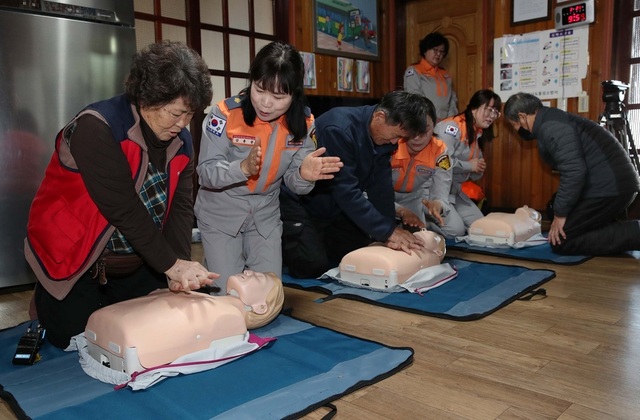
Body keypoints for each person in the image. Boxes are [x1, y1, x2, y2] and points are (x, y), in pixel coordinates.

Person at [24, 40, 217, 349]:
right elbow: (122, 207)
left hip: (137, 258)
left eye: (190, 115)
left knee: (181, 315)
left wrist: (178, 268)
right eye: (175, 113)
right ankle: (48, 294)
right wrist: (171, 264)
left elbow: (181, 208)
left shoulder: (181, 140)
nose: (183, 124)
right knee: (75, 337)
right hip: (77, 258)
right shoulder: (97, 127)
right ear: (146, 98)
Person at [195, 41, 342, 294]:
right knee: (228, 294)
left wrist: (305, 176)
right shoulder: (224, 115)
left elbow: (296, 186)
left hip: (265, 215)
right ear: (251, 81)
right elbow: (206, 173)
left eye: (278, 97)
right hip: (222, 213)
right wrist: (241, 168)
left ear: (294, 94)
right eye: (260, 89)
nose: (265, 103)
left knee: (268, 294)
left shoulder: (304, 123)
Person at [280, 90, 433, 279]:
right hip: (303, 204)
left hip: (335, 209)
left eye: (399, 139)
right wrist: (387, 231)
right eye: (394, 135)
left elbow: (381, 187)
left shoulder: (385, 136)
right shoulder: (338, 128)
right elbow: (344, 189)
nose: (395, 142)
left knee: (364, 254)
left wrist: (388, 229)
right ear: (379, 116)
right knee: (312, 266)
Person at [504, 92, 640, 255]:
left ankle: (635, 233)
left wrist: (561, 215)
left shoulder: (551, 126)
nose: (517, 130)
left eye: (514, 125)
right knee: (556, 207)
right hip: (613, 184)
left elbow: (574, 171)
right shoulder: (551, 118)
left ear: (522, 117)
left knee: (562, 241)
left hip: (610, 188)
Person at [432, 89, 502, 238]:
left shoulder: (478, 133)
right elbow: (441, 161)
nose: (491, 116)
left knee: (481, 227)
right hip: (436, 190)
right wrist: (470, 166)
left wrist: (476, 169)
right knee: (456, 231)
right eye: (488, 110)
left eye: (495, 112)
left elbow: (476, 170)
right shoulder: (452, 127)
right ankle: (421, 221)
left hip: (456, 191)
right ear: (474, 108)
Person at [391, 97, 452, 229]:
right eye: (412, 129)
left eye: (424, 130)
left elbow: (442, 195)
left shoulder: (440, 151)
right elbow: (370, 192)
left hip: (413, 199)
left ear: (434, 126)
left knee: (418, 239)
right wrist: (400, 211)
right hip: (382, 196)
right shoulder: (391, 142)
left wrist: (437, 205)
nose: (417, 137)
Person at [404, 31, 458, 121]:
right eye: (435, 50)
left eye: (441, 51)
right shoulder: (414, 70)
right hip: (423, 122)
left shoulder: (445, 74)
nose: (438, 54)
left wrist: (450, 119)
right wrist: (431, 118)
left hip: (445, 123)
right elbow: (414, 98)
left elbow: (453, 100)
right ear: (425, 50)